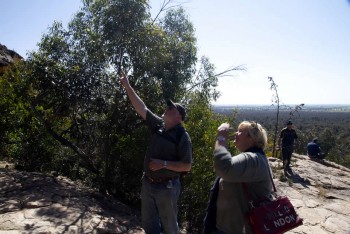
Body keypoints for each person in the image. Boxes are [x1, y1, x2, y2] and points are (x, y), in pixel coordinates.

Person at [119, 72, 193, 234]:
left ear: (179, 117)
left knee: (170, 227)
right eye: (168, 106)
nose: (167, 108)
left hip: (167, 187)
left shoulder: (182, 136)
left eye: (171, 108)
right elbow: (141, 108)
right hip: (148, 184)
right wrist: (128, 86)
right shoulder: (158, 125)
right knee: (149, 225)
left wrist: (163, 164)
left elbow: (187, 166)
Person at [205, 121, 273, 233]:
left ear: (252, 138)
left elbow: (224, 167)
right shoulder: (255, 158)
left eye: (240, 131)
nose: (236, 133)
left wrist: (221, 138)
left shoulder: (253, 159)